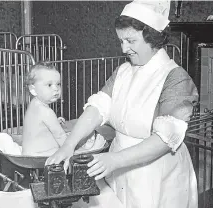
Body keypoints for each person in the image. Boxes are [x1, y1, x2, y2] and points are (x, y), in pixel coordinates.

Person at [46, 1, 199, 207]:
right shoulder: (123, 72)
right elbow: (97, 109)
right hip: (118, 169)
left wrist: (115, 160)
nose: (124, 48)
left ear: (152, 38)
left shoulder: (176, 79)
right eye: (121, 40)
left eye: (130, 40)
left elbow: (164, 140)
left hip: (157, 174)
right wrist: (68, 145)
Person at [22, 62, 67, 156]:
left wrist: (55, 121)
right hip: (42, 154)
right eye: (49, 85)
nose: (56, 89)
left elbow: (37, 125)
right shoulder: (46, 111)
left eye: (58, 84)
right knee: (70, 139)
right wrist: (70, 149)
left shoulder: (34, 103)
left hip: (28, 152)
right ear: (33, 90)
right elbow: (59, 135)